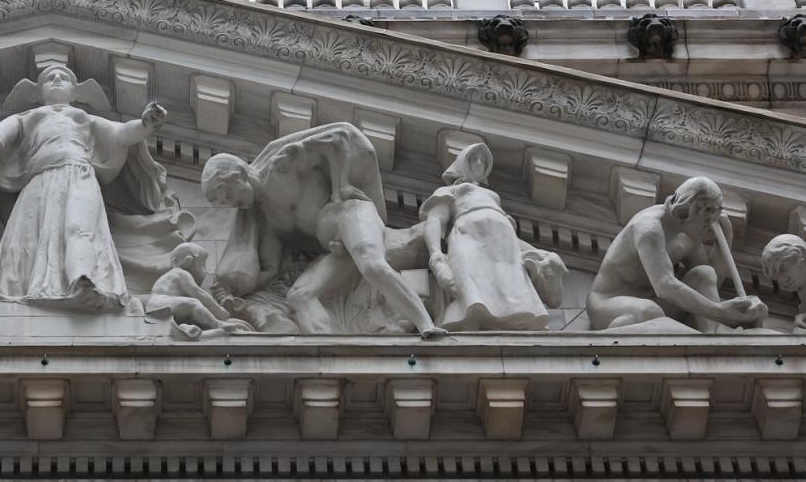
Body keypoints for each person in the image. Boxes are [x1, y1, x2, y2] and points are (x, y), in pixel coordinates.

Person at [0, 63, 187, 312]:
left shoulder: (83, 118)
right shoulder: (28, 118)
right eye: (50, 78)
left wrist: (145, 125)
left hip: (79, 176)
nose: (57, 79)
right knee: (29, 240)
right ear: (38, 92)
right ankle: (25, 290)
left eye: (64, 77)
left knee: (80, 227)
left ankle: (82, 281)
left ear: (75, 91)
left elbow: (120, 134)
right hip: (39, 182)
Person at [202, 123, 444, 337]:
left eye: (227, 195)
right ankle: (334, 353)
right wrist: (232, 291)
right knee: (299, 296)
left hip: (349, 215)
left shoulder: (279, 166)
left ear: (239, 174)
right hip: (336, 249)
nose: (230, 204)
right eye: (223, 203)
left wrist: (341, 185)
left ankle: (426, 325)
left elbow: (337, 138)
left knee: (372, 265)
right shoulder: (268, 220)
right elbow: (270, 268)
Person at [587, 176, 766, 332]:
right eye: (706, 222)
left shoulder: (688, 233)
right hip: (608, 303)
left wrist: (726, 237)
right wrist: (720, 312)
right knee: (649, 312)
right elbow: (665, 285)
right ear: (683, 212)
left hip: (655, 302)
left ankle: (712, 340)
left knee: (704, 273)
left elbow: (710, 285)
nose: (709, 229)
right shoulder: (649, 229)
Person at [419, 142, 563, 331]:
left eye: (483, 161)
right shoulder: (453, 190)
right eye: (474, 158)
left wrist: (539, 254)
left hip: (504, 248)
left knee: (510, 289)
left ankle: (513, 322)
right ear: (462, 163)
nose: (479, 163)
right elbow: (435, 219)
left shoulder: (492, 197)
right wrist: (436, 256)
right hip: (469, 237)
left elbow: (509, 236)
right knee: (473, 292)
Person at [143, 242, 255, 340]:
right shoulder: (181, 273)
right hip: (160, 305)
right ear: (189, 261)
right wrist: (219, 312)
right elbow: (199, 294)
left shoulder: (172, 277)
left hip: (156, 305)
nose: (206, 271)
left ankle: (194, 327)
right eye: (203, 265)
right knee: (194, 302)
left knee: (191, 306)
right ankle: (217, 324)